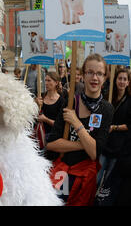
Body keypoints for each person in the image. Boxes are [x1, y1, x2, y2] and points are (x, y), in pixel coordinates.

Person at [46, 54, 113, 206]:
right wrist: (87, 144)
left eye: (99, 73)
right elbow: (51, 143)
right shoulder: (69, 103)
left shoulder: (107, 109)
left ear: (105, 77)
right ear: (83, 75)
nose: (94, 77)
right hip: (62, 173)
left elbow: (94, 153)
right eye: (90, 72)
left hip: (85, 177)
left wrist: (76, 123)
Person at [95, 68, 131, 205]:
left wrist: (114, 127)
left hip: (119, 149)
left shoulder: (129, 101)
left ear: (128, 82)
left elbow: (129, 125)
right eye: (119, 78)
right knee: (97, 178)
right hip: (105, 145)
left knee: (108, 182)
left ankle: (102, 202)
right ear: (115, 80)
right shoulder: (107, 97)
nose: (121, 81)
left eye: (124, 79)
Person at [35, 72, 66, 161]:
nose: (46, 83)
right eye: (45, 80)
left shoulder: (61, 101)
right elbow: (34, 116)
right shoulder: (41, 97)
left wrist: (45, 119)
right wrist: (35, 105)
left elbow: (60, 125)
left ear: (56, 82)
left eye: (49, 80)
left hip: (52, 140)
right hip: (39, 137)